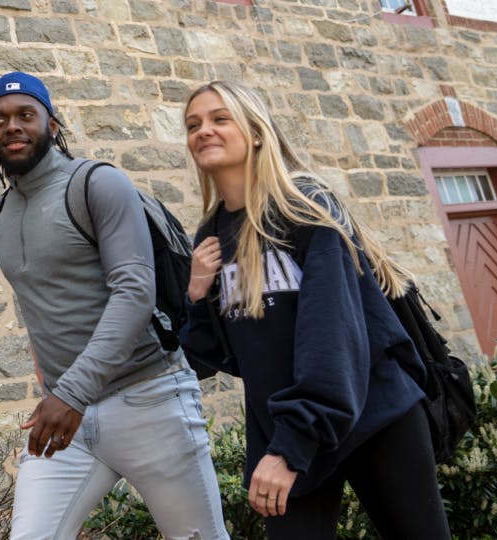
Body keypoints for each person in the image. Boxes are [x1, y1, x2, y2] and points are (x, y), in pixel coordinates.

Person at [179, 80, 451, 540]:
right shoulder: (211, 236)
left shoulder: (307, 209)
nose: (203, 130)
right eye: (193, 124)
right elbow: (215, 358)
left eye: (219, 118)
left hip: (372, 415)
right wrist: (198, 293)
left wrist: (291, 448)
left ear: (257, 132)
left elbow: (331, 334)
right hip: (289, 425)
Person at [0, 71, 229, 540]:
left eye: (25, 115)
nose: (11, 126)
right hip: (67, 421)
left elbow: (135, 292)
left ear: (52, 125)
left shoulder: (97, 183)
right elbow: (39, 306)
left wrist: (69, 393)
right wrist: (56, 384)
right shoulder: (1, 213)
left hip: (148, 397)